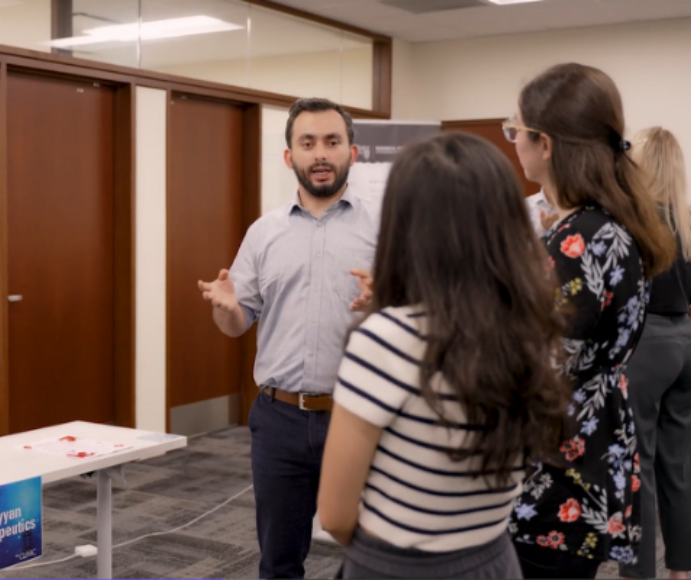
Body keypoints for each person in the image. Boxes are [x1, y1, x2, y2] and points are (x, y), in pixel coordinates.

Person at [317, 131, 569, 579]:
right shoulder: (534, 329)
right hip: (493, 558)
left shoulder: (385, 339)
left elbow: (335, 515)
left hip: (397, 565)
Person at [503, 63, 675, 578]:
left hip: (556, 473)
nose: (513, 142)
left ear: (546, 144)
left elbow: (533, 363)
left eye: (516, 131)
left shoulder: (578, 243)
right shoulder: (602, 226)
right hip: (588, 452)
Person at [197, 97, 376, 579]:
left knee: (373, 556)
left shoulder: (385, 229)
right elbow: (237, 324)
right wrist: (229, 310)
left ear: (352, 153)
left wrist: (388, 304)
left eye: (332, 142)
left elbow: (420, 322)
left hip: (361, 417)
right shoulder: (264, 233)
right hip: (279, 420)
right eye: (308, 142)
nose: (320, 153)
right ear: (289, 156)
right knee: (279, 560)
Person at [618, 127, 691, 580]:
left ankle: (639, 573)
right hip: (684, 343)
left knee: (638, 465)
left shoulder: (634, 222)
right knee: (677, 466)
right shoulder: (686, 222)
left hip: (646, 344)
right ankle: (681, 571)